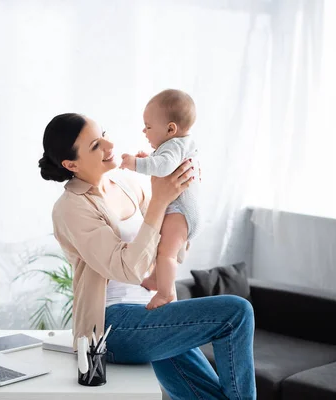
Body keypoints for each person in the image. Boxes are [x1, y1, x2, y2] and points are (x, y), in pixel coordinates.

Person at [39, 113, 256, 400]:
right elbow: (126, 269)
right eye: (95, 145)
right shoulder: (71, 207)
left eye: (104, 133)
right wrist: (161, 201)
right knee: (236, 313)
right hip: (112, 327)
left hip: (153, 313)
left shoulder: (128, 185)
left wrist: (184, 193)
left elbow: (175, 248)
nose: (109, 144)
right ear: (71, 164)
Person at [120, 89, 201, 309]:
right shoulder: (178, 145)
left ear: (170, 128)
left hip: (180, 212)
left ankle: (166, 293)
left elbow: (164, 166)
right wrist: (151, 160)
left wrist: (136, 164)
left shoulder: (174, 145)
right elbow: (164, 164)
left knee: (166, 254)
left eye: (148, 126)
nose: (144, 131)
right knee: (161, 247)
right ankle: (156, 278)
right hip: (180, 212)